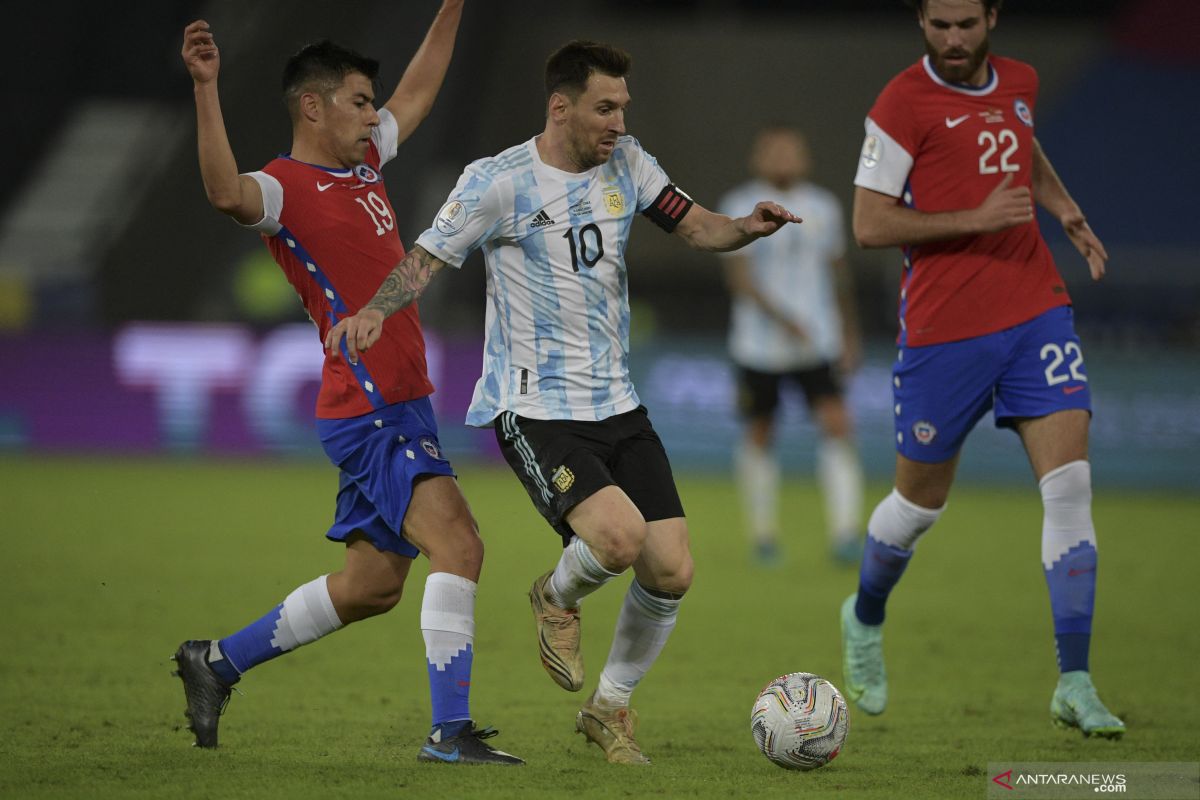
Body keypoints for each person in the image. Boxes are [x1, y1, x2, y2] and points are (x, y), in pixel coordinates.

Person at [324, 40, 800, 764]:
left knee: (671, 569)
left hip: (618, 402)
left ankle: (608, 709)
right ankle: (556, 595)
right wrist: (373, 311)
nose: (617, 121)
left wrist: (745, 229)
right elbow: (423, 259)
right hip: (537, 408)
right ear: (561, 107)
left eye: (623, 108)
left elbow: (696, 223)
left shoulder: (630, 164)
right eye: (604, 108)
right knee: (617, 538)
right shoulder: (499, 181)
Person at [174, 5, 524, 765]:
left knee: (370, 587)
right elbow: (223, 193)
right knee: (459, 545)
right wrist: (207, 89)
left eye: (373, 104)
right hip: (371, 406)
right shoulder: (284, 187)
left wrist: (454, 6)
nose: (376, 114)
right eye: (361, 101)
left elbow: (421, 90)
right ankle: (450, 732)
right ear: (313, 104)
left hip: (402, 397)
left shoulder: (365, 164)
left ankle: (216, 662)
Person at [841, 0, 1123, 738]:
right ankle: (865, 614)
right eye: (940, 26)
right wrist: (975, 217)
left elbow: (1023, 151)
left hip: (1036, 312)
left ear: (993, 16)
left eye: (968, 24)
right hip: (943, 333)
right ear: (921, 24)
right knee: (917, 508)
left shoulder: (1022, 80)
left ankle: (1074, 680)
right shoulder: (902, 103)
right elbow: (869, 224)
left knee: (1069, 490)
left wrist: (1060, 207)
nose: (955, 39)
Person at [718, 126, 865, 567]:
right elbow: (739, 279)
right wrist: (783, 319)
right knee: (761, 432)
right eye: (774, 150)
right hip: (758, 345)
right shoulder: (737, 204)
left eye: (791, 150)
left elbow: (838, 274)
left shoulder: (824, 206)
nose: (784, 157)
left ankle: (845, 534)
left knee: (837, 424)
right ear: (757, 158)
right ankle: (763, 536)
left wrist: (849, 332)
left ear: (805, 158)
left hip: (817, 342)